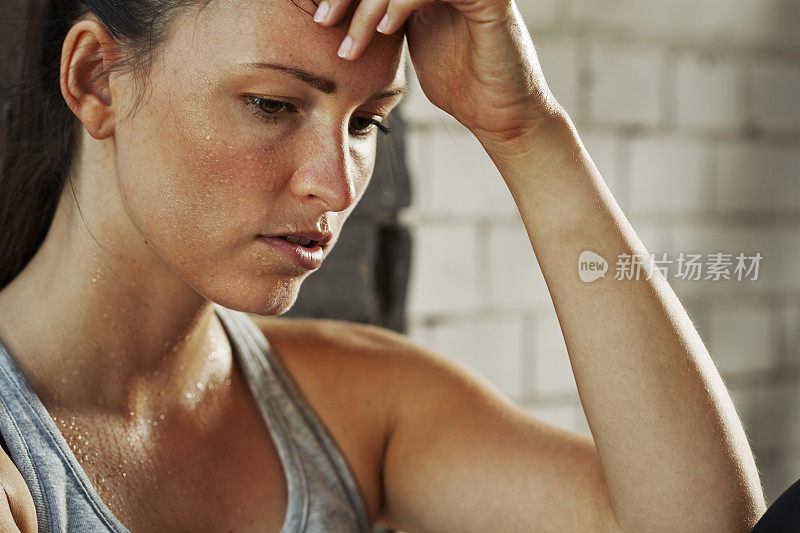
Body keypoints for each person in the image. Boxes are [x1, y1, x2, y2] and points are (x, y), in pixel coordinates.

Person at [0, 0, 768, 531]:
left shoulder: (357, 407)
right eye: (273, 104)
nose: (334, 186)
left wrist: (524, 128)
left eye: (368, 122)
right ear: (97, 77)